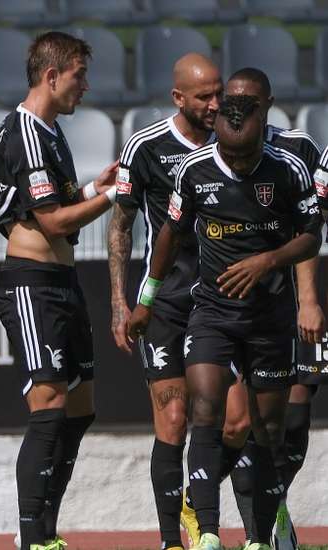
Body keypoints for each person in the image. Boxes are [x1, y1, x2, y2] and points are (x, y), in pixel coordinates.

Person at [127, 94, 323, 550]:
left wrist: (268, 260)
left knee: (267, 430)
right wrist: (147, 299)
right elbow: (169, 235)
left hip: (269, 319)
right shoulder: (194, 171)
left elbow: (312, 236)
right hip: (211, 314)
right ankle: (209, 533)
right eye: (229, 154)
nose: (236, 164)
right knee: (205, 411)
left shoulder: (287, 170)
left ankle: (257, 537)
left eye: (246, 155)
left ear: (261, 129)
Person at [107, 54, 254, 549]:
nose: (216, 104)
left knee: (238, 420)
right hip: (166, 302)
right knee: (172, 418)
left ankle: (197, 493)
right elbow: (121, 225)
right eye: (205, 97)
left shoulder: (235, 138)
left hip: (220, 300)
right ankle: (172, 539)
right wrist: (119, 302)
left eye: (220, 93)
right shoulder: (146, 147)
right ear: (178, 98)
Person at [0, 31, 119, 550]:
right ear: (52, 75)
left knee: (81, 408)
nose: (85, 87)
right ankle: (31, 537)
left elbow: (60, 201)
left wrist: (92, 186)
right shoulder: (24, 132)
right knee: (47, 405)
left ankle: (46, 528)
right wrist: (113, 194)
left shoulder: (49, 130)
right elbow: (51, 219)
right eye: (79, 75)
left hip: (62, 281)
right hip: (32, 284)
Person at [224, 67, 326, 549]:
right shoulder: (219, 150)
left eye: (252, 101)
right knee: (252, 424)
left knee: (295, 425)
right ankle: (258, 533)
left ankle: (275, 508)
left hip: (301, 306)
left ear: (269, 103)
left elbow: (307, 229)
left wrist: (308, 300)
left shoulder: (303, 149)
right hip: (247, 312)